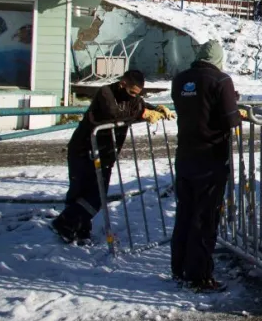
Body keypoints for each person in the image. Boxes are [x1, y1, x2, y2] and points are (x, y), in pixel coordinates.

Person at [51, 70, 174, 244]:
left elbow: (140, 105)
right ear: (122, 84)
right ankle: (65, 225)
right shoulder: (105, 93)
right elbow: (113, 113)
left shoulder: (133, 98)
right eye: (131, 92)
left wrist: (157, 109)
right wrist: (142, 114)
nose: (134, 96)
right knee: (82, 192)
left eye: (137, 93)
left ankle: (80, 229)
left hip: (106, 153)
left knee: (96, 195)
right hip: (84, 149)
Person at [170, 40, 243, 292]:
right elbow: (230, 120)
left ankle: (179, 268)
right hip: (210, 158)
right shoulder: (221, 81)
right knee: (205, 218)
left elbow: (193, 109)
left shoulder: (180, 80)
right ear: (218, 59)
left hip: (185, 156)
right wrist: (232, 104)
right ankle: (199, 276)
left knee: (185, 214)